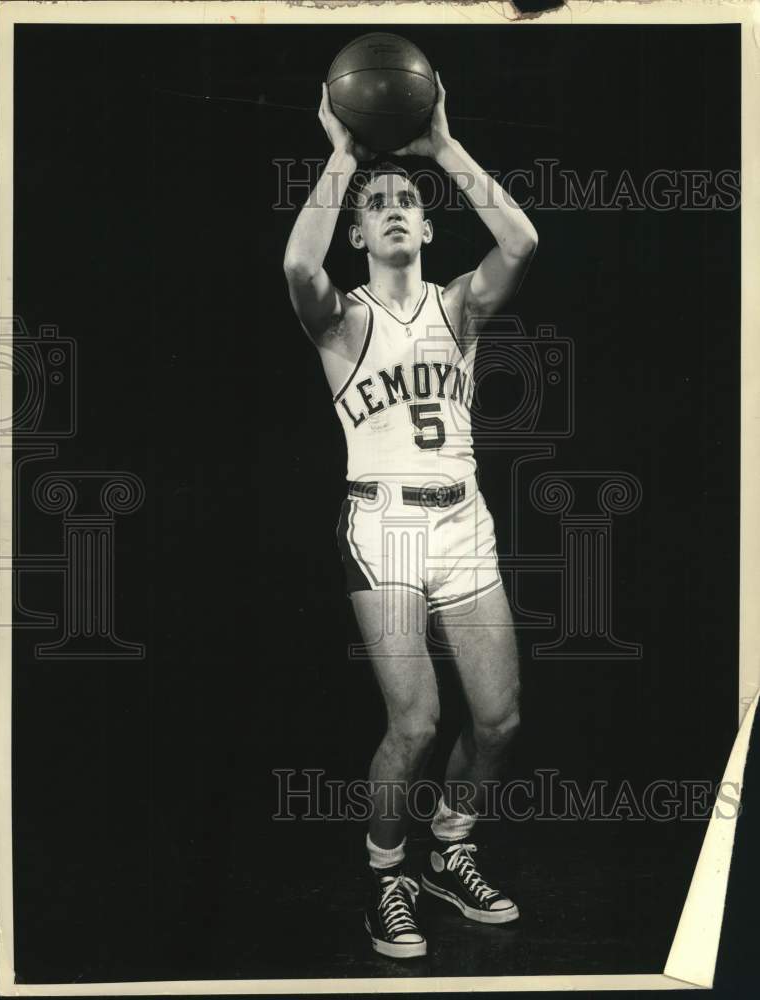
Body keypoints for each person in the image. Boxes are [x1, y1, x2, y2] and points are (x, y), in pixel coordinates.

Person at [283, 73, 538, 959]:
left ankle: (449, 850)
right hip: (383, 528)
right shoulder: (340, 324)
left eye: (407, 203)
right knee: (417, 721)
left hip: (462, 522)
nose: (393, 209)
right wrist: (342, 157)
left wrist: (440, 149)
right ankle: (385, 873)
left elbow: (522, 237)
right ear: (358, 231)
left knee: (499, 721)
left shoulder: (459, 307)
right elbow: (295, 266)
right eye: (375, 204)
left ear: (427, 227)